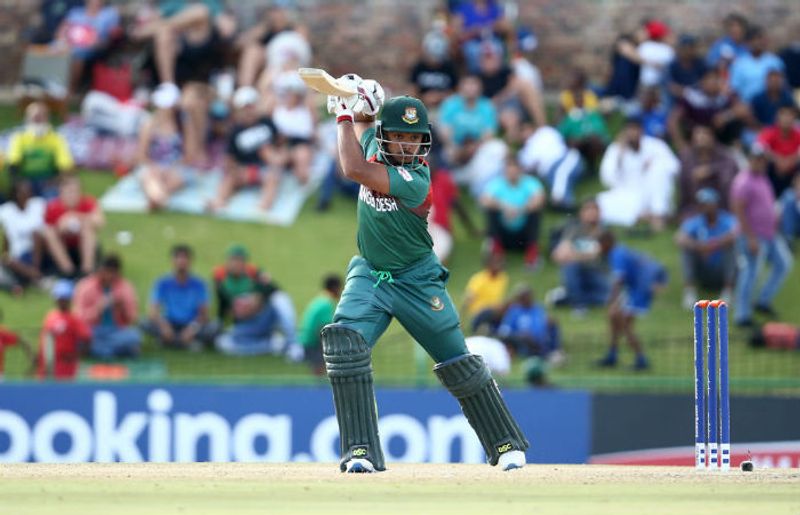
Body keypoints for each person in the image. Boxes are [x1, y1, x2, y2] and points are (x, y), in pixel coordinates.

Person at [323, 74, 528, 472]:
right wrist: (364, 102)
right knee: (345, 344)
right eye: (400, 136)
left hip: (416, 281)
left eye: (415, 139)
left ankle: (506, 444)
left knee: (457, 360)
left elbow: (351, 168)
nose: (408, 145)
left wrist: (343, 113)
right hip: (371, 273)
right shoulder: (374, 145)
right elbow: (366, 130)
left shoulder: (415, 180)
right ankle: (360, 452)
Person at [730, 147, 793, 327]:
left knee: (783, 264)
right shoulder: (743, 182)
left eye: (762, 160)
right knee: (751, 272)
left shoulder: (763, 178)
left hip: (770, 234)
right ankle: (742, 315)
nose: (760, 163)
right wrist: (749, 238)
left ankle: (763, 301)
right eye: (756, 159)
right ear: (750, 160)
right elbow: (738, 210)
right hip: (752, 235)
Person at [596, 230, 668, 371]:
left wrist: (612, 299)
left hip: (639, 290)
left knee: (625, 324)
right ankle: (612, 354)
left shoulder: (616, 254)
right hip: (635, 288)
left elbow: (619, 280)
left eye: (600, 244)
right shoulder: (620, 250)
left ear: (606, 243)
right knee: (613, 316)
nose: (599, 248)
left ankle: (641, 359)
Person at [598, 115, 680, 231]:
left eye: (635, 129)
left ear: (641, 130)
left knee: (659, 167)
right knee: (599, 203)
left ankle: (658, 214)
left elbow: (675, 167)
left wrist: (654, 164)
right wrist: (619, 157)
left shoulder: (656, 145)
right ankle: (645, 216)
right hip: (629, 194)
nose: (633, 133)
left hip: (653, 193)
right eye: (629, 130)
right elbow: (607, 179)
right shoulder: (615, 149)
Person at [213, 245, 297, 356]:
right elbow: (224, 308)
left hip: (263, 318)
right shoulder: (221, 279)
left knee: (281, 298)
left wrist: (257, 299)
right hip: (244, 326)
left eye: (238, 260)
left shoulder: (253, 274)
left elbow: (275, 291)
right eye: (232, 259)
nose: (235, 264)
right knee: (223, 343)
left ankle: (293, 341)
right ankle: (274, 345)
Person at [209, 87, 283, 212]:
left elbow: (281, 142)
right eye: (245, 109)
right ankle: (219, 201)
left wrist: (276, 156)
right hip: (244, 169)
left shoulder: (267, 123)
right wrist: (235, 169)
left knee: (272, 177)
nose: (248, 112)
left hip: (264, 168)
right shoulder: (235, 131)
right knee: (229, 179)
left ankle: (263, 207)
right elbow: (229, 158)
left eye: (251, 107)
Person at [143, 245, 218, 350]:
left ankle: (171, 342)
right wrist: (164, 326)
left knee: (215, 326)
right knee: (144, 322)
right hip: (170, 323)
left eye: (185, 258)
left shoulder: (199, 284)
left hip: (191, 323)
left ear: (190, 261)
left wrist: (192, 329)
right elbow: (153, 311)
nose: (181, 261)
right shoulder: (162, 282)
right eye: (178, 257)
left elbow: (204, 314)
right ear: (172, 260)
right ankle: (185, 343)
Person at [675, 188, 738, 309]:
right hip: (703, 269)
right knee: (687, 250)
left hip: (722, 269)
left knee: (732, 248)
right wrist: (698, 246)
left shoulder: (726, 219)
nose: (703, 207)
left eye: (706, 203)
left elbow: (736, 233)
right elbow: (679, 237)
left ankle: (728, 291)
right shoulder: (696, 221)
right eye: (701, 204)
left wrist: (714, 245)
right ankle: (689, 291)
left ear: (715, 204)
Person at [480, 155, 546, 267]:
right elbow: (484, 200)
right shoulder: (496, 184)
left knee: (535, 212)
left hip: (524, 235)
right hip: (503, 234)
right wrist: (504, 207)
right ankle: (497, 252)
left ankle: (532, 254)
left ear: (520, 170)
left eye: (515, 171)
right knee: (491, 211)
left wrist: (520, 210)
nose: (512, 175)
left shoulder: (530, 183)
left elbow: (540, 200)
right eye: (509, 171)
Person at [73, 254, 142, 358]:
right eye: (104, 272)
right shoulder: (85, 286)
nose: (107, 276)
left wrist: (122, 308)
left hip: (116, 330)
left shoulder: (125, 288)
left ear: (117, 273)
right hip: (93, 329)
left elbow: (132, 318)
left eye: (111, 273)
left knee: (134, 336)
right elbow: (78, 317)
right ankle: (118, 351)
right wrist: (97, 309)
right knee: (77, 338)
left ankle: (99, 351)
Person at [137, 82, 190, 210]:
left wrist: (172, 167)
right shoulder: (148, 124)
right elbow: (141, 155)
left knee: (175, 179)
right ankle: (160, 198)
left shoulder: (182, 124)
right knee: (149, 178)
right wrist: (155, 168)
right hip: (153, 167)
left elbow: (188, 154)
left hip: (175, 168)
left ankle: (156, 199)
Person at [549, 197, 609, 310]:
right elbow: (558, 255)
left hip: (596, 273)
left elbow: (596, 253)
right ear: (581, 213)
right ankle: (578, 304)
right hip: (575, 272)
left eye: (594, 209)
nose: (591, 212)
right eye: (588, 209)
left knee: (607, 298)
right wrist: (578, 255)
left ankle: (567, 298)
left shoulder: (605, 233)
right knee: (570, 266)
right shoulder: (573, 229)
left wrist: (573, 254)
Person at [668, 68, 746, 152]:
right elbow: (673, 121)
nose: (712, 82)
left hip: (722, 142)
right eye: (709, 79)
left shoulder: (726, 96)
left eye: (716, 79)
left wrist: (726, 116)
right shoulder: (692, 97)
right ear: (701, 82)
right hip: (696, 142)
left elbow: (743, 110)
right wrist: (681, 145)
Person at [6, 102, 74, 198]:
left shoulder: (57, 138)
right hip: (26, 181)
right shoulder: (19, 138)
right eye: (35, 117)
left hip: (48, 181)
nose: (38, 120)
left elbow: (65, 165)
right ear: (27, 118)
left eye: (41, 117)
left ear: (47, 118)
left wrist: (55, 181)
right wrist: (20, 183)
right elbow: (13, 164)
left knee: (52, 198)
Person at [41, 174, 103, 277]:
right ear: (61, 193)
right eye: (69, 191)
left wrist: (77, 216)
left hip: (84, 246)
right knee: (50, 233)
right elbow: (46, 231)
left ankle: (87, 270)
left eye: (75, 191)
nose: (72, 195)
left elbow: (100, 221)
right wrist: (61, 227)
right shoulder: (53, 207)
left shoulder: (88, 203)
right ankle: (67, 270)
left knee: (88, 228)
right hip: (64, 247)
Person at [54, 0, 121, 95]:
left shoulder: (110, 14)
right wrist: (63, 40)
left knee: (77, 52)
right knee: (52, 49)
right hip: (70, 44)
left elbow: (114, 35)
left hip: (96, 46)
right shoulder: (76, 12)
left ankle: (70, 91)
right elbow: (61, 31)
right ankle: (49, 87)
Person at [517, 123, 584, 211]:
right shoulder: (523, 153)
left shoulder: (545, 131)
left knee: (561, 172)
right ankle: (563, 203)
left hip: (563, 157)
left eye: (525, 129)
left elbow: (560, 140)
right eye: (521, 132)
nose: (524, 133)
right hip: (548, 172)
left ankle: (560, 201)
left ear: (531, 127)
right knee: (559, 176)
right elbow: (528, 168)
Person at [677, 124, 738, 219]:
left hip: (721, 205)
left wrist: (711, 171)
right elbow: (684, 185)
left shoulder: (725, 155)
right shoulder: (687, 157)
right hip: (694, 206)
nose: (701, 137)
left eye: (705, 133)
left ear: (712, 137)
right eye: (698, 133)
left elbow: (729, 173)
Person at [38, 279, 91, 379]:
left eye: (64, 299)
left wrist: (76, 356)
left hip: (65, 367)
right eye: (59, 298)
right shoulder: (50, 316)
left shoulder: (74, 319)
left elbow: (87, 339)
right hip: (47, 365)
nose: (61, 301)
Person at [0, 181, 46, 292]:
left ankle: (35, 272)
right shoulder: (6, 211)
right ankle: (36, 277)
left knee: (36, 235)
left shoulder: (38, 205)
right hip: (18, 256)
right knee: (8, 260)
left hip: (37, 251)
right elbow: (6, 237)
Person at [496, 284, 562, 361]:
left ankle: (554, 351)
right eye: (522, 297)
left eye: (527, 296)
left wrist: (549, 322)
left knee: (552, 324)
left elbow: (541, 324)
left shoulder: (538, 308)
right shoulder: (514, 311)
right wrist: (519, 334)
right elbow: (504, 330)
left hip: (539, 340)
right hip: (521, 341)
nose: (526, 299)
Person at [299, 274, 342, 375]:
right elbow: (323, 329)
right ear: (335, 288)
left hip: (306, 339)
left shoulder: (321, 299)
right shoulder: (327, 303)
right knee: (321, 368)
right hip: (312, 342)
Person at [729, 26, 784, 103]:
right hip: (747, 106)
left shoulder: (775, 61)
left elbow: (782, 85)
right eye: (754, 40)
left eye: (760, 39)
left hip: (771, 105)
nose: (757, 43)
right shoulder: (739, 64)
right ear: (747, 43)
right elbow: (734, 90)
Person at [755, 105, 800, 196]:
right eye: (783, 115)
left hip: (793, 171)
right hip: (773, 171)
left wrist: (791, 160)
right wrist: (777, 159)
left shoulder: (797, 133)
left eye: (789, 115)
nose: (786, 119)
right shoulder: (770, 132)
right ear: (777, 118)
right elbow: (759, 147)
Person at [409, 29, 459, 109]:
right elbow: (412, 90)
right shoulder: (419, 67)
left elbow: (455, 91)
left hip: (444, 108)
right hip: (421, 106)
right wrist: (423, 98)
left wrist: (439, 97)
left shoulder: (450, 67)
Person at [461, 252, 509, 334]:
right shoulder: (479, 279)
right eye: (496, 263)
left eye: (500, 262)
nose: (499, 265)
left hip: (495, 311)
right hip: (479, 312)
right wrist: (461, 320)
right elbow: (468, 300)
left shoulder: (503, 278)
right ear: (488, 264)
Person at [668, 34, 707, 100]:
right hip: (676, 100)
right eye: (685, 48)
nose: (688, 51)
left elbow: (706, 83)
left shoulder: (701, 64)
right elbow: (672, 87)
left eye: (691, 48)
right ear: (679, 49)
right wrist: (688, 92)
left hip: (696, 99)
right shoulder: (672, 65)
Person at [779, 174, 800, 248]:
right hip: (789, 225)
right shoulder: (788, 194)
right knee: (789, 199)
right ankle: (788, 239)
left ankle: (788, 239)